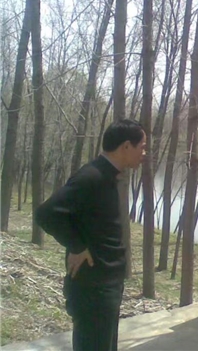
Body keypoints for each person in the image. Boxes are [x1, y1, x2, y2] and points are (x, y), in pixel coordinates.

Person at [36, 119, 147, 351]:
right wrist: (77, 246)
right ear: (126, 146)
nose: (144, 154)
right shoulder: (91, 177)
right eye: (142, 147)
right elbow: (46, 213)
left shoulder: (107, 177)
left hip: (106, 286)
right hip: (93, 290)